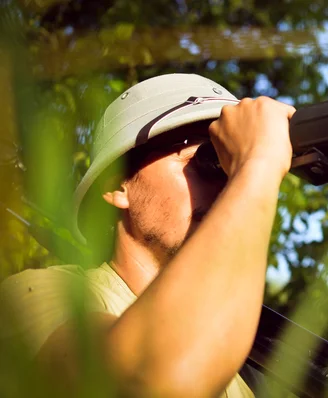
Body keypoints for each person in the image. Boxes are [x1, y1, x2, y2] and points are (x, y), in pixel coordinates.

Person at [0, 73, 296, 397]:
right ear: (117, 186)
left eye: (231, 167)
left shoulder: (238, 381)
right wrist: (257, 164)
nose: (227, 186)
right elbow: (145, 381)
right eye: (207, 160)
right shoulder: (39, 296)